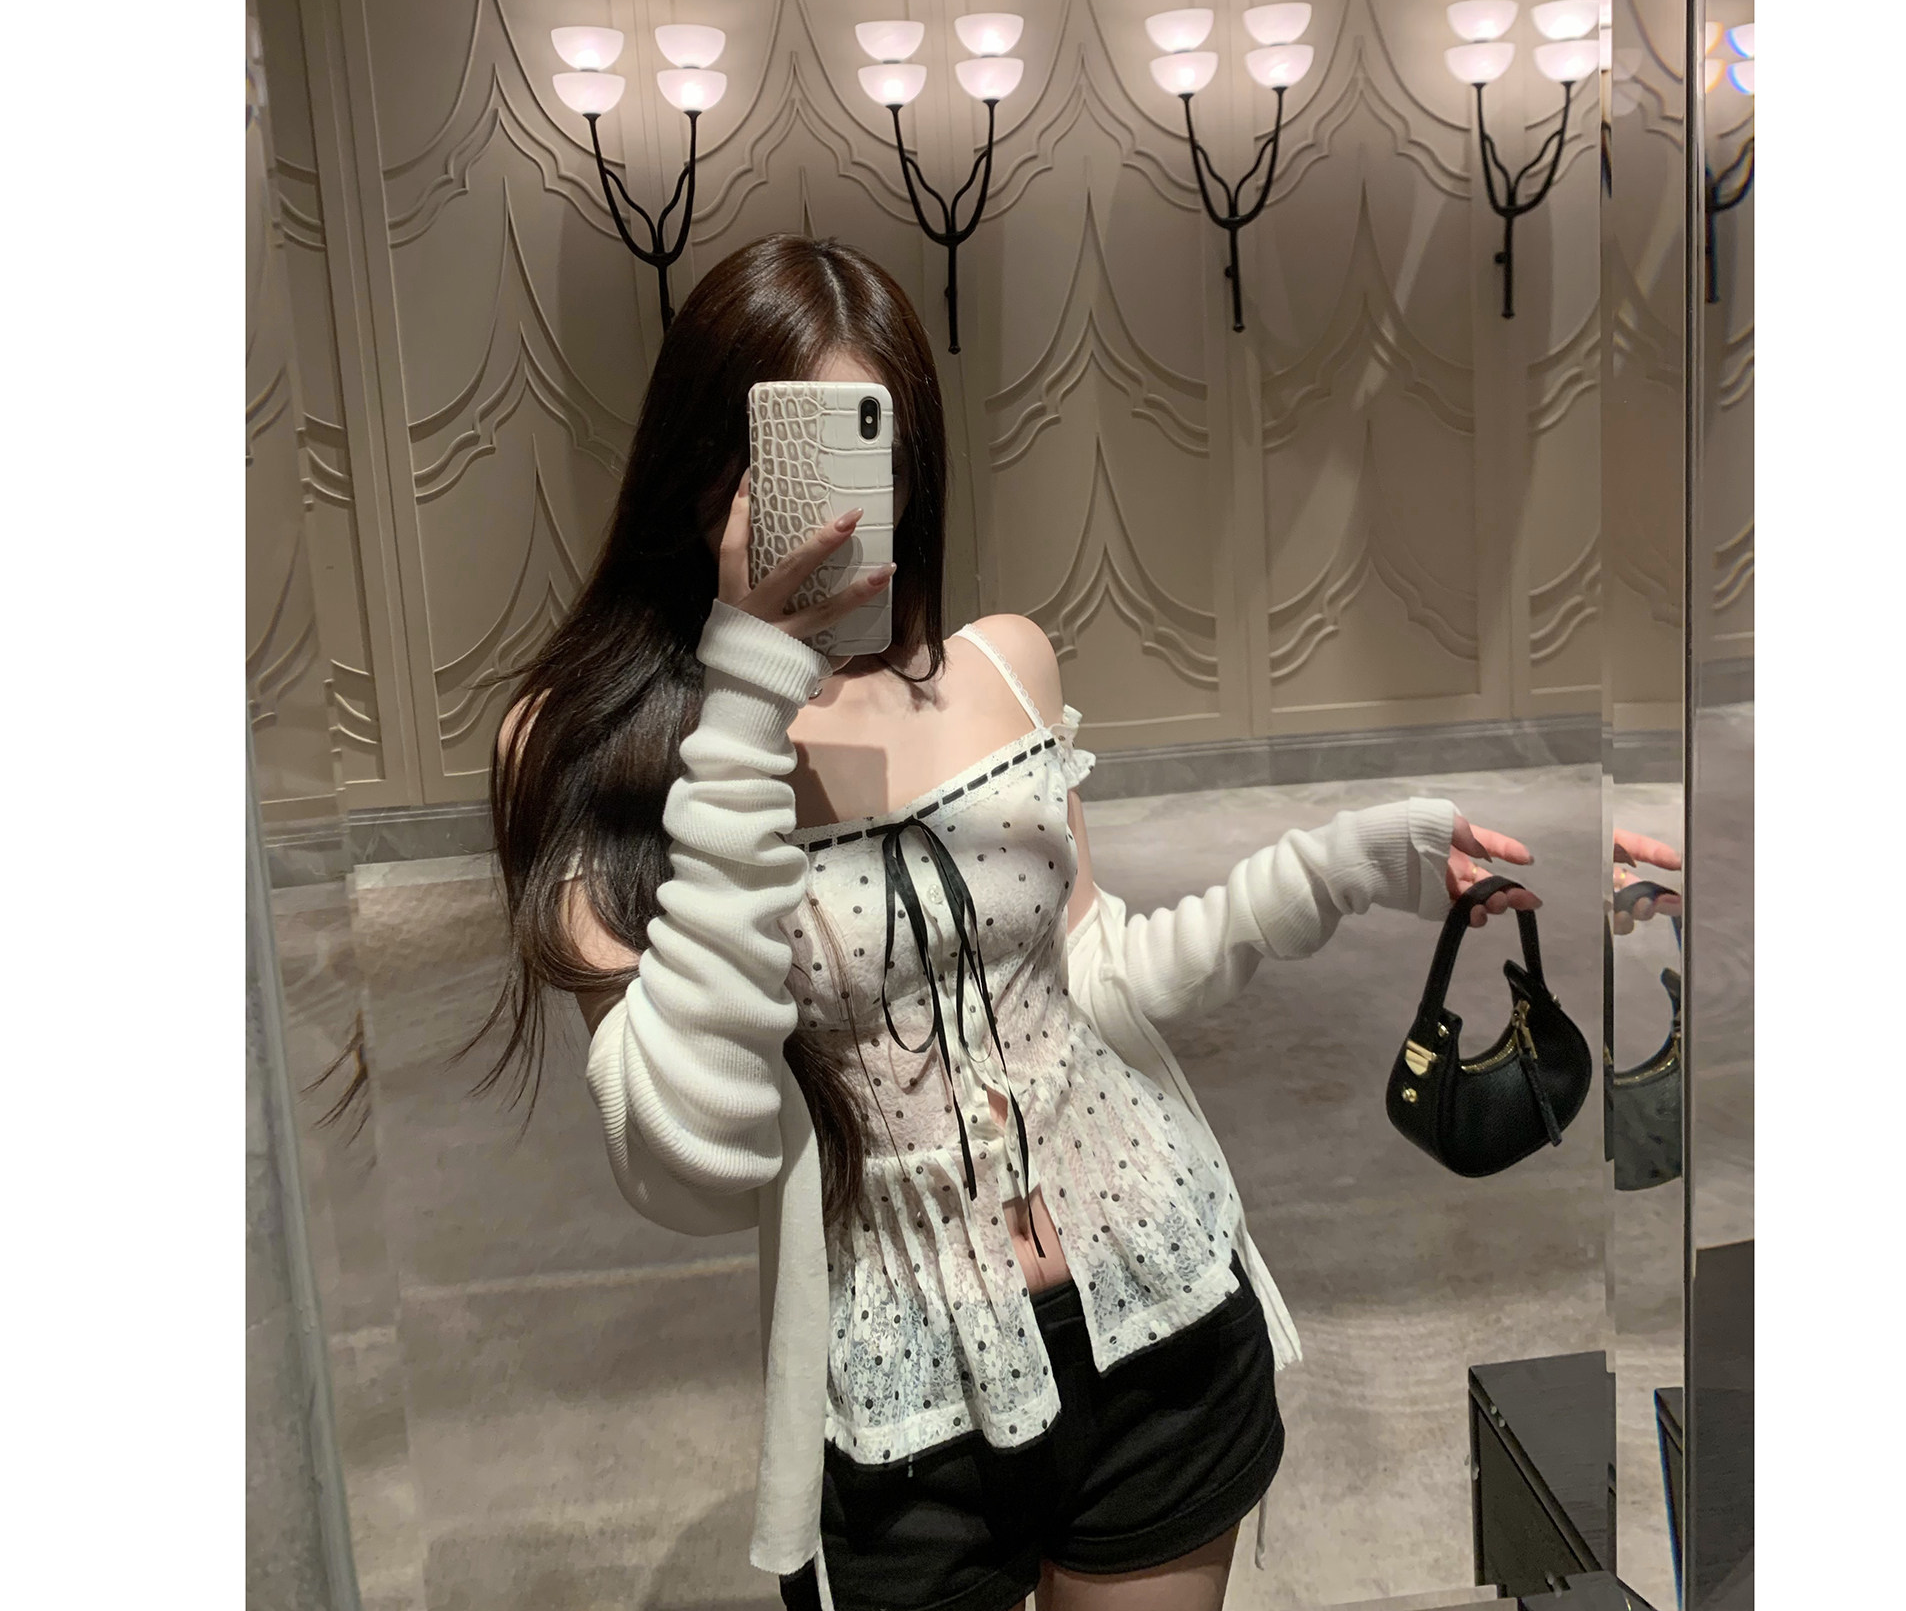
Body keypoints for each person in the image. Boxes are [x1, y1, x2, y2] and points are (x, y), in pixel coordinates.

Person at [483, 234, 1541, 1611]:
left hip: (1157, 1312)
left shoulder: (1000, 666)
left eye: (873, 459)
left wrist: (1354, 862)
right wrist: (746, 691)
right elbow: (690, 1162)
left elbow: (1106, 975)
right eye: (793, 458)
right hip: (901, 1403)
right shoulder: (583, 749)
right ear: (705, 470)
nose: (839, 511)